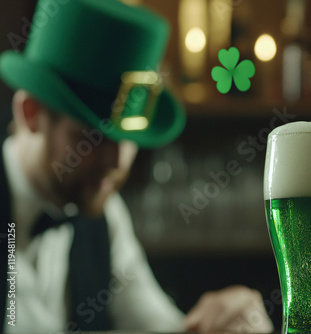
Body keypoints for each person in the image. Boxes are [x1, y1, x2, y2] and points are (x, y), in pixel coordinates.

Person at [0, 0, 273, 332]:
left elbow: (160, 325)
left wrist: (225, 323)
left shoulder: (107, 214)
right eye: (94, 136)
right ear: (30, 113)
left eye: (129, 137)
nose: (117, 161)